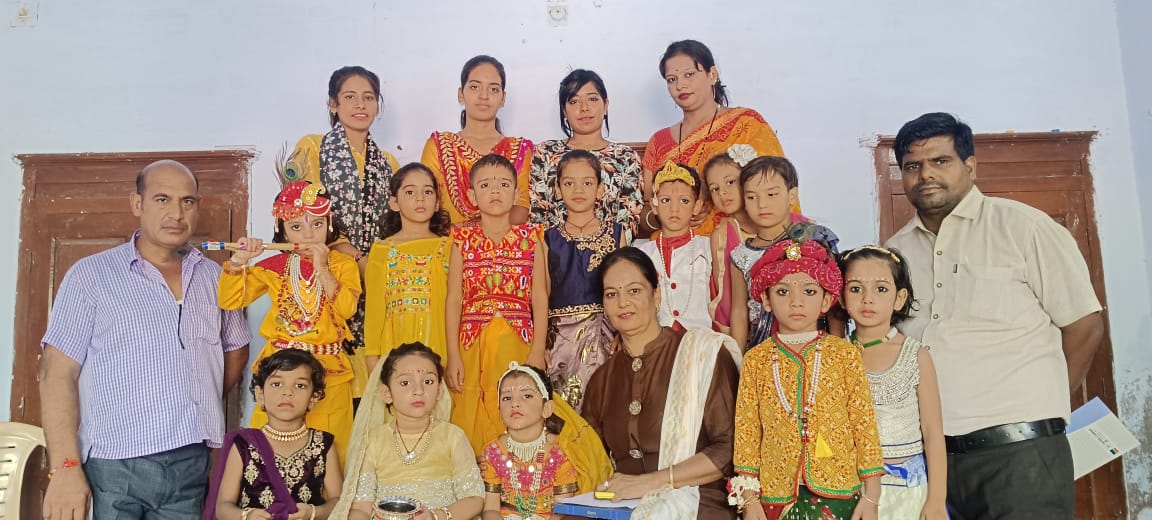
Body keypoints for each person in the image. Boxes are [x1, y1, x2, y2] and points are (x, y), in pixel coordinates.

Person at [885, 112, 1104, 519]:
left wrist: (1047, 406)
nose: (926, 174)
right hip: (931, 462)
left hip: (1021, 454)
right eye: (913, 166)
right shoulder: (894, 254)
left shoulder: (1024, 228)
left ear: (970, 165)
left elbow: (1084, 325)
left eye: (940, 161)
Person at [39, 159, 251, 519]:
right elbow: (56, 373)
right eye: (162, 199)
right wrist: (65, 467)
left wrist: (194, 401)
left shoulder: (216, 277)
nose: (177, 213)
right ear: (137, 204)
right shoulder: (91, 276)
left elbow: (236, 349)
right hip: (114, 464)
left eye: (187, 201)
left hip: (190, 460)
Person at [582, 247, 742, 519]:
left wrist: (652, 483)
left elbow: (728, 449)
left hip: (699, 504)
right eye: (611, 294)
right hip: (623, 509)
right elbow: (589, 459)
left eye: (634, 291)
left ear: (656, 295)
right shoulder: (602, 380)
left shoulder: (703, 354)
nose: (623, 302)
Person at [732, 239, 883, 520]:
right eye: (783, 291)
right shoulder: (757, 360)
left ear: (826, 300)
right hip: (774, 495)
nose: (796, 301)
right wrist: (749, 498)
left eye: (809, 291)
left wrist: (871, 497)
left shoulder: (844, 354)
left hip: (839, 492)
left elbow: (864, 425)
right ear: (766, 299)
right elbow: (747, 432)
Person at [220, 181, 361, 463]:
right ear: (282, 230)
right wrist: (239, 261)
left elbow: (347, 308)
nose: (308, 235)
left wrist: (323, 268)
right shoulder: (274, 267)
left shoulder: (343, 265)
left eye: (317, 224)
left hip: (329, 373)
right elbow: (229, 300)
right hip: (280, 372)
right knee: (269, 451)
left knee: (332, 452)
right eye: (296, 227)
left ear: (329, 224)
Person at [287, 65, 401, 401]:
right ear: (333, 104)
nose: (360, 105)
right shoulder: (313, 148)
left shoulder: (388, 163)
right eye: (350, 97)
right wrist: (351, 255)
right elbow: (298, 215)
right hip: (327, 272)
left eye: (368, 97)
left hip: (376, 278)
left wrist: (374, 265)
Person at [445, 154, 549, 455]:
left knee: (515, 401)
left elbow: (539, 296)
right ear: (471, 195)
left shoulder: (531, 237)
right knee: (469, 407)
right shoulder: (461, 238)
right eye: (485, 185)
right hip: (471, 342)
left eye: (504, 185)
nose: (495, 191)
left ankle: (516, 470)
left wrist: (538, 349)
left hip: (516, 340)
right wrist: (453, 354)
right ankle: (477, 472)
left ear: (516, 195)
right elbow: (454, 298)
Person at [639, 39, 790, 237]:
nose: (680, 85)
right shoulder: (659, 142)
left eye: (689, 75)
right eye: (671, 79)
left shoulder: (746, 124)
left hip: (738, 244)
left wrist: (710, 193)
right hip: (672, 248)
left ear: (712, 75)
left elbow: (775, 191)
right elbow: (645, 210)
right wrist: (671, 213)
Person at [840, 246, 947, 519]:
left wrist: (936, 500)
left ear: (900, 298)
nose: (867, 299)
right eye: (855, 289)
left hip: (908, 494)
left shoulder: (915, 355)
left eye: (881, 289)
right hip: (851, 492)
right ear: (840, 296)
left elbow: (933, 432)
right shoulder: (835, 356)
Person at [335, 343, 485, 520]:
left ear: (439, 391)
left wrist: (436, 517)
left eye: (428, 382)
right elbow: (361, 507)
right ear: (386, 393)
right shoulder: (374, 440)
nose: (418, 391)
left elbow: (474, 499)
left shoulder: (453, 437)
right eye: (405, 383)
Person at [205, 349, 343, 519]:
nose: (287, 392)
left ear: (314, 397)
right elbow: (223, 507)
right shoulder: (245, 444)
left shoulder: (323, 444)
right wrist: (247, 516)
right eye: (277, 384)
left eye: (300, 385)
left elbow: (339, 501)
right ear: (260, 394)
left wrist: (314, 512)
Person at [728, 156, 840, 349]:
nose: (761, 204)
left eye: (771, 194)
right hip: (764, 346)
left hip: (814, 345)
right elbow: (739, 312)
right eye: (751, 197)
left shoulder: (813, 239)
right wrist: (738, 359)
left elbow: (834, 303)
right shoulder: (740, 255)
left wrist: (838, 347)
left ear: (792, 196)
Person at [543, 150, 625, 411]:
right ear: (557, 190)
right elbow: (541, 294)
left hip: (604, 336)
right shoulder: (546, 239)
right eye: (569, 183)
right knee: (563, 411)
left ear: (600, 189)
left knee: (604, 405)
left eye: (587, 183)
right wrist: (538, 344)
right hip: (559, 343)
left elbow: (624, 289)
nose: (578, 190)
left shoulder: (616, 234)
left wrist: (624, 334)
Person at [529, 69, 644, 241]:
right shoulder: (544, 153)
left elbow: (628, 220)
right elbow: (537, 216)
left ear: (606, 105)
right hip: (554, 253)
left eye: (592, 99)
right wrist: (561, 251)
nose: (584, 108)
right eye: (574, 101)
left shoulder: (626, 157)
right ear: (564, 111)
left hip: (611, 253)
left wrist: (597, 250)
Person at [362, 163, 453, 375]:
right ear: (394, 202)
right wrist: (372, 359)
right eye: (410, 192)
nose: (420, 199)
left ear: (437, 202)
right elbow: (374, 310)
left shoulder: (450, 247)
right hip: (394, 348)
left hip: (441, 347)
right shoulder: (382, 250)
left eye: (427, 192)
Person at [422, 55, 534, 225]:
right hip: (448, 240)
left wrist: (471, 230)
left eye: (493, 89)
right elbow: (426, 205)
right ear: (461, 94)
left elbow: (521, 210)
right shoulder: (439, 147)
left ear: (503, 98)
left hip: (503, 241)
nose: (484, 96)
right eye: (475, 87)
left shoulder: (519, 150)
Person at [480, 364, 580, 519]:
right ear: (498, 409)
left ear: (547, 408)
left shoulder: (560, 452)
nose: (514, 403)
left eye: (526, 396)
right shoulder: (493, 452)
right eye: (507, 398)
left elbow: (561, 512)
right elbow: (491, 510)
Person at [636, 162, 713, 332]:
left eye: (684, 201)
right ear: (654, 205)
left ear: (697, 206)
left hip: (701, 339)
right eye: (666, 200)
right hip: (657, 339)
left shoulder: (708, 248)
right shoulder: (642, 254)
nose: (674, 208)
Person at [703, 144, 758, 335]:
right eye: (715, 189)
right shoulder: (722, 235)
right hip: (744, 330)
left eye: (730, 182)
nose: (722, 193)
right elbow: (726, 295)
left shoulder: (779, 224)